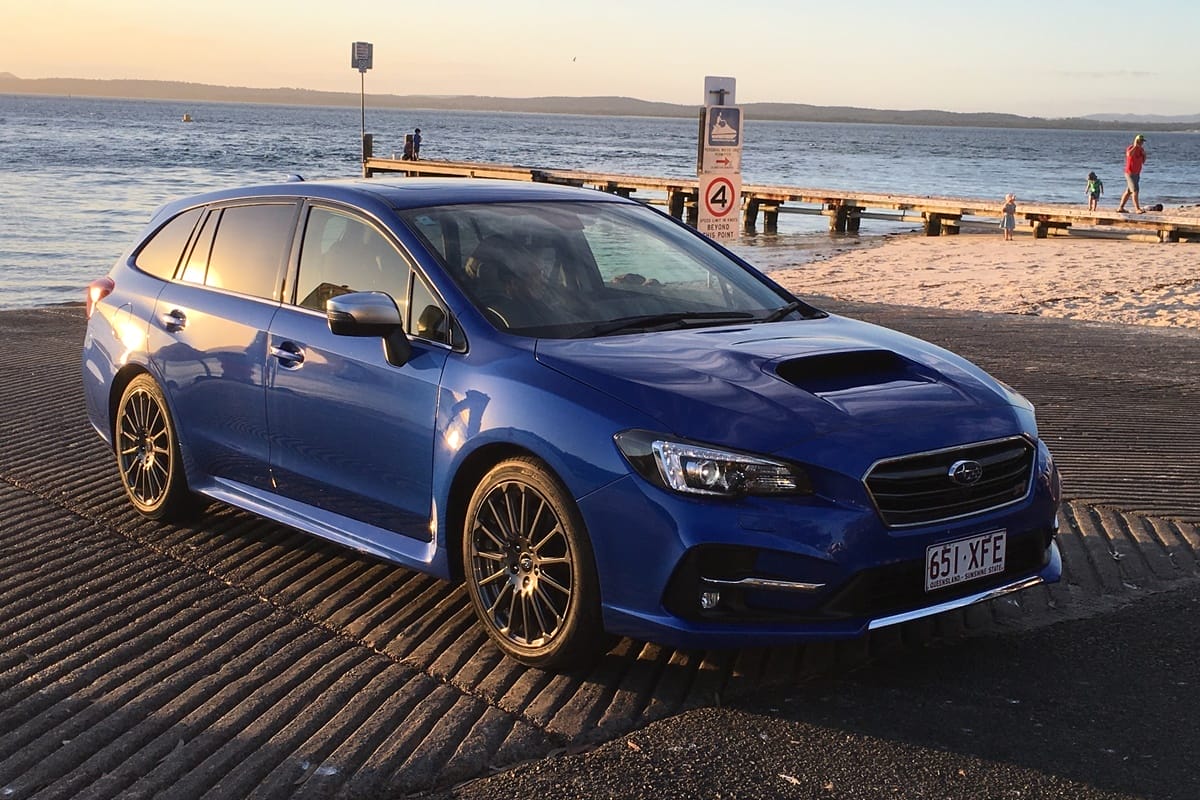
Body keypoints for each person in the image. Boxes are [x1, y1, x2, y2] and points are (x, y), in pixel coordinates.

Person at [1117, 134, 1147, 213]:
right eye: (1140, 141)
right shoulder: (1131, 148)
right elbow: (1129, 154)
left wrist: (1144, 154)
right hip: (1130, 173)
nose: (1141, 143)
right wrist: (1135, 146)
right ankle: (1137, 209)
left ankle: (1121, 207)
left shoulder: (1141, 150)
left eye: (1142, 142)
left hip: (1137, 173)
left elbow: (1143, 161)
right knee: (1135, 190)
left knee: (1129, 191)